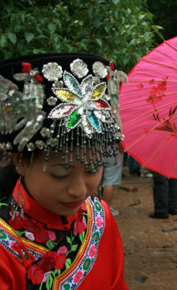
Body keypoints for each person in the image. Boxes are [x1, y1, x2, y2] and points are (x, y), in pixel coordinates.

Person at [0, 53, 127, 288]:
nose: (79, 190)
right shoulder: (4, 248)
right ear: (20, 161)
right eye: (60, 173)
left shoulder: (100, 218)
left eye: (92, 169)